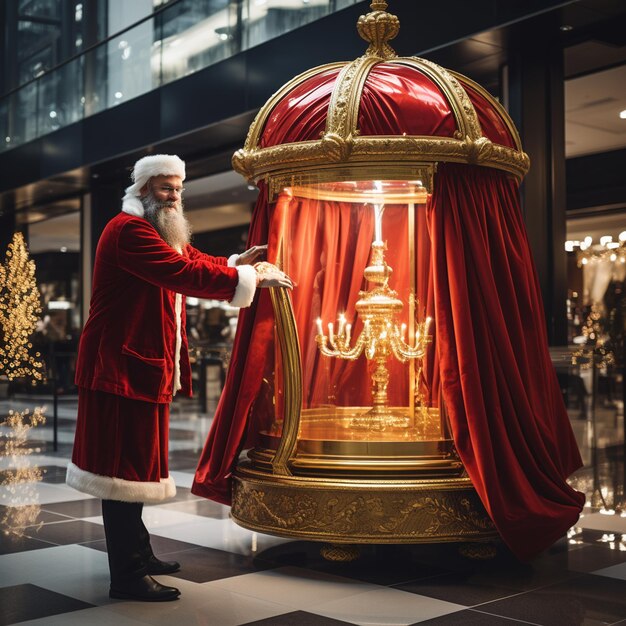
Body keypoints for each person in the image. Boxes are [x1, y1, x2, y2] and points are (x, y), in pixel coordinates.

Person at [66, 154, 291, 602]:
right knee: (120, 470)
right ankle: (127, 576)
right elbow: (182, 272)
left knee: (134, 466)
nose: (175, 196)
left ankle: (139, 554)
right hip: (118, 367)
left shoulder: (153, 230)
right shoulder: (127, 230)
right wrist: (246, 278)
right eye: (167, 188)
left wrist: (232, 262)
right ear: (144, 189)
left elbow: (191, 257)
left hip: (139, 366)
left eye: (179, 189)